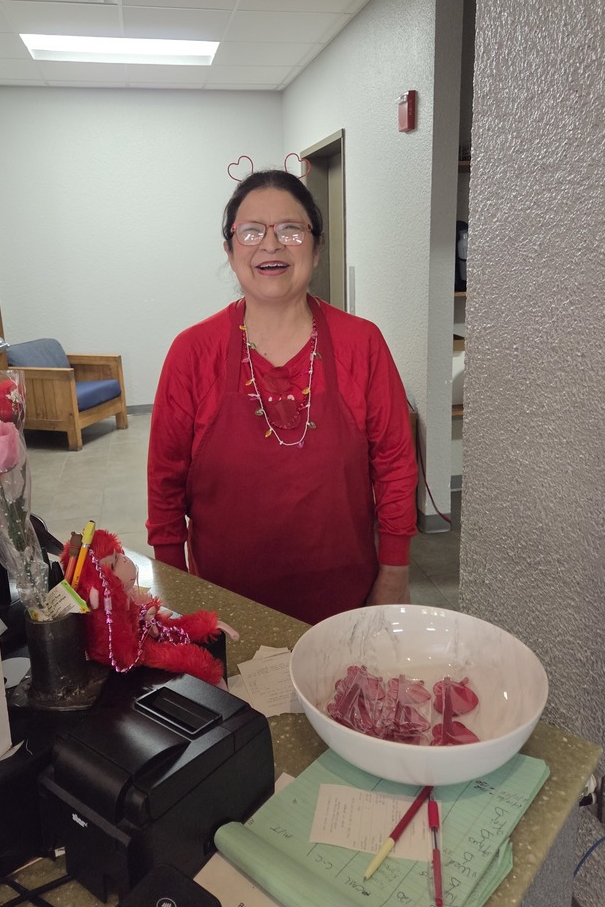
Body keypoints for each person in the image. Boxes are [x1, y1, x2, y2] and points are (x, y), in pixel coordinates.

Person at [146, 168, 417, 625]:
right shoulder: (192, 353)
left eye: (290, 229)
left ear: (316, 246)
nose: (270, 245)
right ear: (230, 251)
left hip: (346, 600)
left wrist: (394, 571)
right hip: (224, 605)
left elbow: (394, 465)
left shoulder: (362, 344)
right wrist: (177, 591)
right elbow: (164, 485)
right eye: (251, 231)